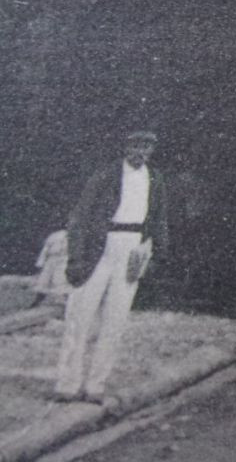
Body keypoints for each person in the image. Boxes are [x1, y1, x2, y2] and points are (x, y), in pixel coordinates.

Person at [55, 129, 169, 404]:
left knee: (115, 319)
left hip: (132, 248)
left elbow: (159, 219)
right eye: (135, 146)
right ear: (125, 147)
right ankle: (68, 383)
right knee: (79, 316)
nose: (140, 152)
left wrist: (157, 255)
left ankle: (96, 384)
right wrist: (76, 258)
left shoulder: (155, 179)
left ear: (152, 150)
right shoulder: (106, 175)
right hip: (100, 245)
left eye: (146, 147)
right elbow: (80, 218)